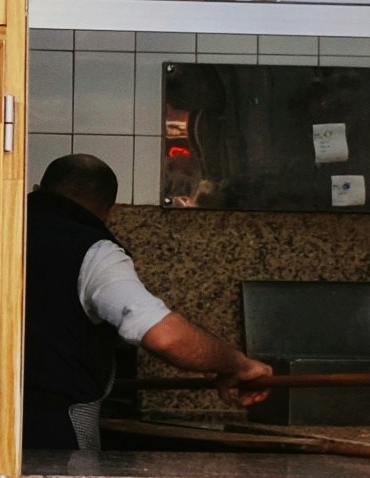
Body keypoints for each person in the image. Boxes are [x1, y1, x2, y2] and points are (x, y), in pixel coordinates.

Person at [24, 153, 276, 454]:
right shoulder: (93, 251)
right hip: (51, 438)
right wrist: (238, 364)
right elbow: (165, 336)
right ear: (109, 212)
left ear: (38, 190)